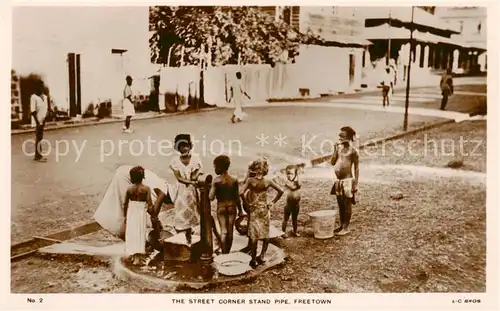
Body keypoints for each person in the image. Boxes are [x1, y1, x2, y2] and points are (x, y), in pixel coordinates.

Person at [240, 157, 284, 268]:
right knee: (265, 233)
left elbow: (241, 192)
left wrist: (247, 203)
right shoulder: (267, 181)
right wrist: (272, 202)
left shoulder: (251, 181)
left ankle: (253, 260)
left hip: (254, 210)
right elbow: (281, 191)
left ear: (254, 169)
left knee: (254, 235)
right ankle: (262, 256)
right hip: (264, 209)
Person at [169, 134, 203, 245]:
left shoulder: (196, 159)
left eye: (186, 146)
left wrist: (196, 175)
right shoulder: (174, 161)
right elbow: (179, 178)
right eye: (181, 147)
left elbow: (194, 176)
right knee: (180, 216)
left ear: (190, 146)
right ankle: (183, 242)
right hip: (181, 192)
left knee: (191, 216)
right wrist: (192, 182)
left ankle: (189, 239)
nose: (184, 149)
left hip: (192, 192)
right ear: (178, 149)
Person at [209, 155, 243, 254]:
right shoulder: (234, 179)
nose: (214, 169)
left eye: (215, 167)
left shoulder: (216, 181)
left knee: (224, 231)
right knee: (230, 231)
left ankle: (224, 253)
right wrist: (240, 210)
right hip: (232, 207)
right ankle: (228, 250)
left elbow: (211, 197)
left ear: (219, 167)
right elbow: (237, 196)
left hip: (221, 207)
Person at [330, 126, 359, 236]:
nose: (340, 138)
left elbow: (356, 168)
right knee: (340, 204)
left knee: (347, 204)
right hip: (338, 181)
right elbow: (332, 162)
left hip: (347, 180)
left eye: (343, 136)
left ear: (349, 137)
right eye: (339, 136)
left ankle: (346, 227)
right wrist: (334, 150)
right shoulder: (338, 149)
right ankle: (342, 225)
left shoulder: (353, 151)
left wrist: (355, 184)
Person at [123, 166, 152, 265]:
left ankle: (133, 255)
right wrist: (153, 214)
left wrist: (125, 216)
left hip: (132, 211)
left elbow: (125, 204)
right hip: (141, 212)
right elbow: (150, 204)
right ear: (143, 176)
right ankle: (138, 257)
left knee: (132, 232)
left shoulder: (129, 189)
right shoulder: (146, 189)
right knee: (140, 231)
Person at [281, 164, 302, 238]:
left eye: (292, 174)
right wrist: (296, 182)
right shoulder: (287, 182)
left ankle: (295, 231)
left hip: (296, 204)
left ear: (295, 174)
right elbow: (293, 187)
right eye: (288, 173)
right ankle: (283, 232)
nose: (289, 175)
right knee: (286, 219)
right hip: (289, 204)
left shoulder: (296, 181)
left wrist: (298, 175)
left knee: (295, 218)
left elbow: (299, 185)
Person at [30, 80, 49, 162]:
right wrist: (38, 122)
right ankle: (37, 156)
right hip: (37, 121)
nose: (41, 88)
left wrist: (45, 119)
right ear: (36, 87)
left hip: (43, 120)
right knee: (38, 137)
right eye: (39, 86)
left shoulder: (45, 97)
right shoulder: (33, 97)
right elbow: (33, 111)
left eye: (42, 86)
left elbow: (47, 109)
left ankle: (39, 155)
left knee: (40, 137)